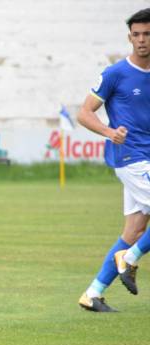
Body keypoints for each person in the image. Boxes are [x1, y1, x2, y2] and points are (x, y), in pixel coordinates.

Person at [76, 8, 150, 313]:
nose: (142, 40)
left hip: (146, 161)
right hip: (132, 158)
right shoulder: (115, 74)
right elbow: (84, 113)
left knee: (133, 231)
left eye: (147, 34)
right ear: (129, 37)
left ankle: (92, 294)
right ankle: (129, 258)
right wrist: (109, 132)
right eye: (137, 35)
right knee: (133, 243)